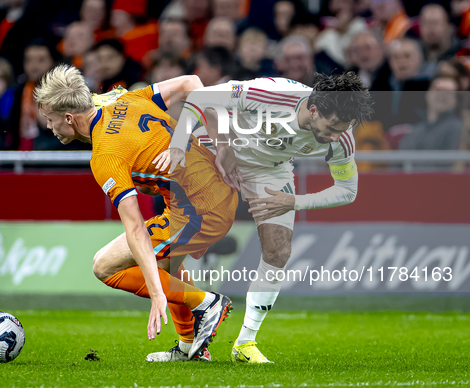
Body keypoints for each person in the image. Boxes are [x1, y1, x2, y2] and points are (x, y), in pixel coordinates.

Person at [34, 64, 237, 361]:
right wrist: (218, 145)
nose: (49, 128)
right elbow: (192, 82)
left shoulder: (106, 156)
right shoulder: (122, 99)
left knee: (104, 266)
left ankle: (207, 303)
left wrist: (156, 292)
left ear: (68, 117)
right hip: (205, 194)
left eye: (50, 120)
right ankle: (188, 347)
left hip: (203, 211)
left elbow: (135, 229)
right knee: (165, 263)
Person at [167, 72, 374, 362]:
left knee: (279, 250)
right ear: (313, 110)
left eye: (344, 129)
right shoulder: (270, 94)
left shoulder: (341, 139)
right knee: (174, 250)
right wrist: (218, 142)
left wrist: (294, 201)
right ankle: (185, 341)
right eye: (333, 127)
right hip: (219, 148)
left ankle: (245, 343)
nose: (337, 136)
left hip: (270, 169)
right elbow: (201, 97)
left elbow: (347, 191)